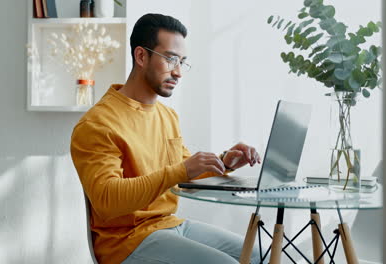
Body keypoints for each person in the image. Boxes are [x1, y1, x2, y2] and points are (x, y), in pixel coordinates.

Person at [70, 13, 262, 264]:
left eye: (182, 61)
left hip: (169, 224)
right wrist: (181, 170)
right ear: (141, 56)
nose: (179, 72)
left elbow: (184, 170)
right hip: (126, 242)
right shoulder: (98, 124)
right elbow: (107, 200)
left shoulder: (166, 115)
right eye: (171, 59)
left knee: (262, 255)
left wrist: (224, 162)